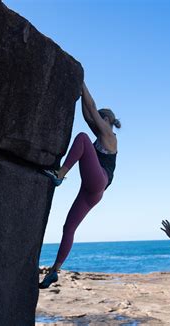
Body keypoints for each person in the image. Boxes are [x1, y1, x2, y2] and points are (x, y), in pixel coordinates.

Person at [39, 81, 121, 289]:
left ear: (106, 120)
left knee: (83, 138)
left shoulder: (110, 136)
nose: (95, 121)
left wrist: (81, 81)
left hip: (98, 181)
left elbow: (91, 110)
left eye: (99, 119)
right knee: (69, 227)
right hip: (92, 190)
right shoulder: (102, 136)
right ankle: (55, 271)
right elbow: (88, 114)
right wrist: (79, 92)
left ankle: (60, 174)